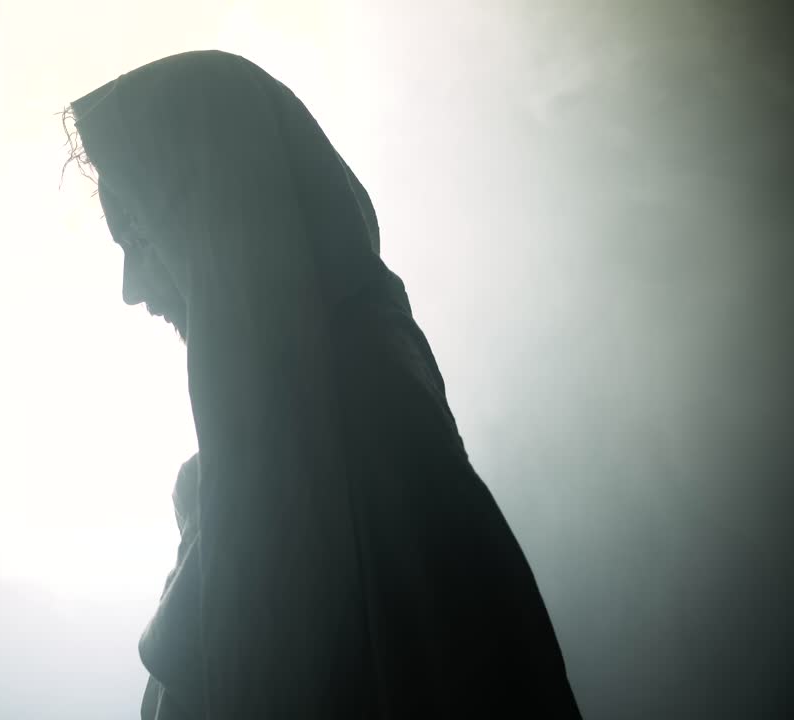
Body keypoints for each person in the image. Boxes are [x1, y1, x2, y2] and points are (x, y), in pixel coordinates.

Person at [64, 49, 582, 719]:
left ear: (223, 218)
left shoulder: (379, 452)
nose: (133, 287)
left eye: (138, 231)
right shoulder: (273, 475)